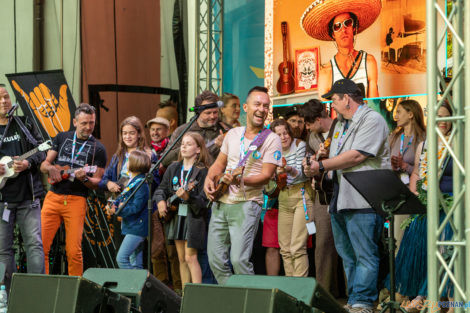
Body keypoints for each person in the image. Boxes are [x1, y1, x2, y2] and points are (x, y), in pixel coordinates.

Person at [306, 79, 390, 313]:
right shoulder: (341, 123)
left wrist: (321, 166)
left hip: (364, 198)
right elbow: (337, 157)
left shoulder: (372, 120)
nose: (331, 103)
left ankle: (363, 302)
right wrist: (318, 160)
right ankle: (354, 300)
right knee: (348, 255)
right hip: (340, 198)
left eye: (334, 98)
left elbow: (355, 157)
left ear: (347, 98)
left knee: (365, 254)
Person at [204, 86, 282, 285]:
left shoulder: (272, 139)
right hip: (221, 202)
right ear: (246, 107)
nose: (261, 109)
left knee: (239, 260)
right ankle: (232, 299)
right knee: (215, 260)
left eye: (266, 106)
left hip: (247, 204)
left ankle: (250, 301)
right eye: (257, 104)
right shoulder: (232, 134)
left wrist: (240, 180)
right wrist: (209, 179)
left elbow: (266, 175)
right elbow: (219, 164)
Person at [392, 102, 454, 312]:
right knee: (418, 245)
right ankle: (420, 295)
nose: (443, 122)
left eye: (446, 117)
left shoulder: (459, 142)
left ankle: (443, 299)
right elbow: (417, 173)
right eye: (439, 117)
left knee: (444, 250)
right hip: (426, 203)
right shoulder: (424, 144)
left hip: (451, 204)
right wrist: (417, 194)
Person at [41, 103, 107, 276]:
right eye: (84, 123)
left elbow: (97, 181)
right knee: (41, 246)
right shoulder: (62, 137)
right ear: (75, 121)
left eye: (91, 123)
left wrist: (84, 177)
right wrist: (51, 169)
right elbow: (44, 165)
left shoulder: (98, 149)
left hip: (77, 199)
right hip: (53, 196)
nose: (88, 127)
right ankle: (41, 283)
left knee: (74, 251)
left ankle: (75, 290)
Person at [0, 84, 46, 292]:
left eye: (6, 97)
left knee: (34, 245)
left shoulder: (25, 123)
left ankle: (37, 293)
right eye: (0, 98)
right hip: (3, 202)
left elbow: (42, 150)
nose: (4, 102)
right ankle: (7, 293)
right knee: (3, 250)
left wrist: (28, 163)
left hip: (28, 196)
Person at [154, 132, 210, 286]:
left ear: (198, 149)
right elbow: (161, 189)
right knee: (181, 258)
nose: (183, 147)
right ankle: (185, 294)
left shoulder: (202, 171)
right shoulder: (173, 167)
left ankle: (196, 294)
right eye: (182, 144)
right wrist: (160, 202)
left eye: (189, 144)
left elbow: (204, 203)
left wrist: (188, 197)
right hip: (176, 216)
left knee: (190, 257)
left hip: (193, 218)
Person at [301, 0, 381, 100]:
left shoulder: (369, 62)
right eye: (337, 26)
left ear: (354, 28)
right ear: (333, 34)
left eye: (347, 23)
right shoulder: (326, 72)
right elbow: (326, 113)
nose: (343, 30)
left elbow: (373, 106)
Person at [301, 99, 339, 297]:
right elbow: (308, 167)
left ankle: (353, 295)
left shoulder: (342, 128)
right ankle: (324, 292)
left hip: (343, 191)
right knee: (322, 242)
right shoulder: (312, 138)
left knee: (346, 244)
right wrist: (310, 164)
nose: (306, 128)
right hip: (321, 195)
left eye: (308, 124)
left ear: (317, 119)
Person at [270, 119, 312, 277]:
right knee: (285, 249)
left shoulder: (299, 145)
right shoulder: (273, 151)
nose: (283, 137)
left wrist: (287, 169)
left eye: (285, 132)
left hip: (301, 195)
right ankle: (290, 291)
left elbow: (301, 174)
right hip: (283, 197)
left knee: (297, 247)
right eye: (278, 134)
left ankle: (300, 291)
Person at [146, 116, 182, 292]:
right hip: (152, 205)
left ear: (168, 131)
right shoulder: (145, 151)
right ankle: (161, 289)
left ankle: (177, 290)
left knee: (173, 251)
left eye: (159, 129)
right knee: (156, 250)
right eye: (152, 129)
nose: (155, 132)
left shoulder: (173, 150)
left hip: (172, 205)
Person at [389, 100, 425, 248]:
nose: (395, 116)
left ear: (410, 114)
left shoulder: (424, 138)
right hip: (397, 196)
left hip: (417, 196)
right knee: (397, 241)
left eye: (399, 112)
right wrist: (393, 166)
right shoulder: (394, 137)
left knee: (415, 244)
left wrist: (406, 166)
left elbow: (425, 170)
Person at [107, 150, 150, 269]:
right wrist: (113, 205)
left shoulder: (141, 183)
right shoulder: (133, 181)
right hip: (130, 226)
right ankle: (138, 287)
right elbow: (122, 199)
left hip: (137, 228)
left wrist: (119, 210)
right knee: (135, 262)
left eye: (128, 161)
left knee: (121, 259)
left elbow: (136, 207)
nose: (125, 164)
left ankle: (133, 284)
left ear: (135, 164)